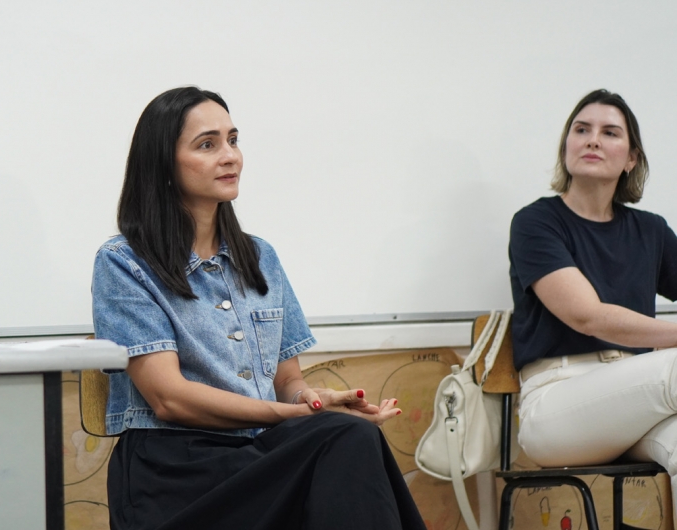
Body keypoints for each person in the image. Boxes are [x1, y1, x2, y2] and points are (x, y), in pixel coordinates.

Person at [91, 86, 426, 530]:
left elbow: (286, 381)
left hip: (258, 455)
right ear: (163, 164)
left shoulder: (260, 256)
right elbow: (169, 399)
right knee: (345, 437)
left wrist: (310, 400)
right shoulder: (123, 262)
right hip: (176, 471)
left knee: (349, 436)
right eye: (207, 145)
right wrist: (295, 415)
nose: (230, 156)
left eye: (233, 140)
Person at [509, 89, 677, 507]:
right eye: (581, 130)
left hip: (635, 403)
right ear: (567, 144)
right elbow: (587, 316)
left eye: (609, 132)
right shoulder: (535, 223)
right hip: (557, 406)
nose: (593, 140)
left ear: (632, 158)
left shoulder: (651, 230)